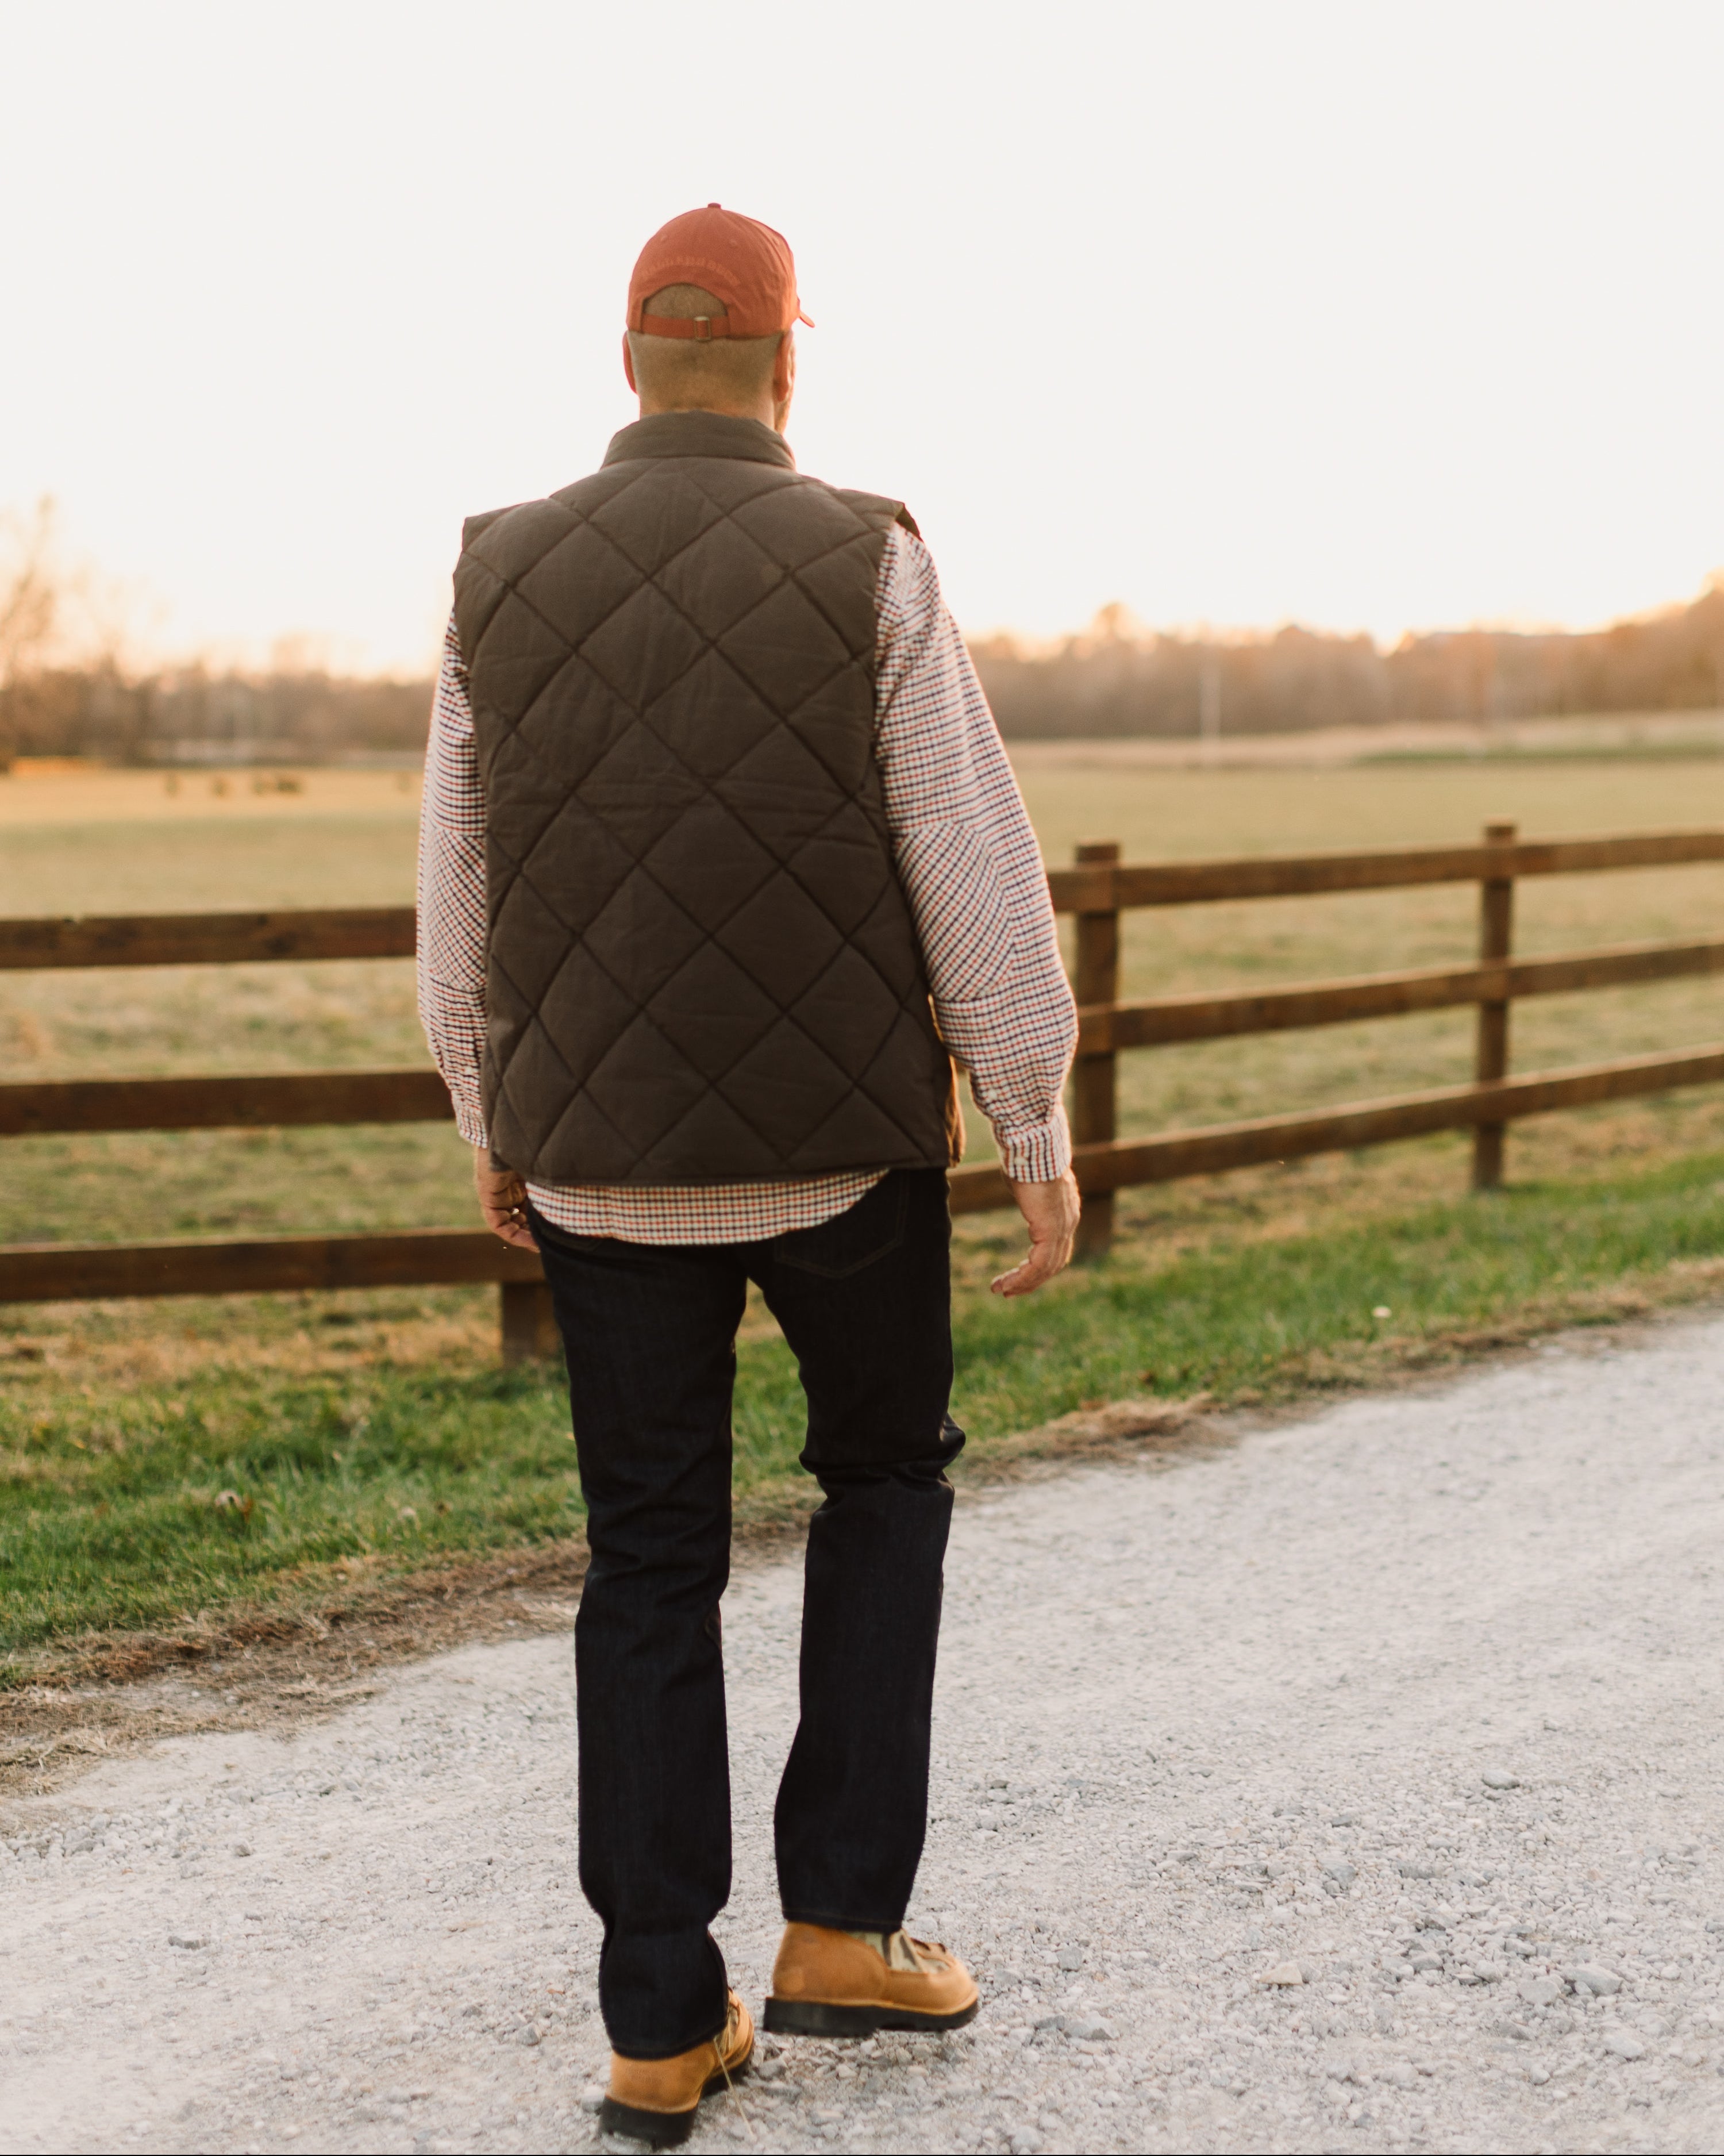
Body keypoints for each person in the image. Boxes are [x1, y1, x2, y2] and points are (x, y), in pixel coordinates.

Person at [417, 203, 1079, 2147]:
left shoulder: (497, 567)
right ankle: (843, 1933)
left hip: (604, 1168)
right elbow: (966, 844)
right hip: (844, 1158)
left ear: (629, 362)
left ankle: (655, 2022)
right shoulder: (863, 549)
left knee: (648, 1560)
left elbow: (456, 873)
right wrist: (1032, 1118)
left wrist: (488, 1110)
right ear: (792, 363)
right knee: (881, 1480)